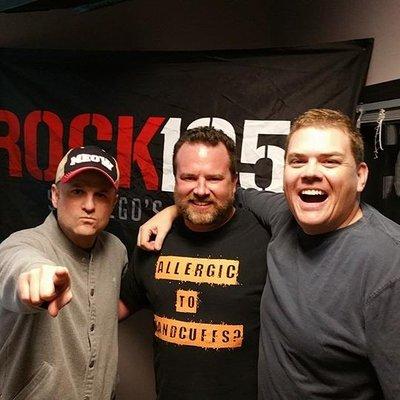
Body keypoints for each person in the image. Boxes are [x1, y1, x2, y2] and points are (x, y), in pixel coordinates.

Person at [138, 109, 400, 399]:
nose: (311, 172)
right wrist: (173, 210)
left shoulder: (389, 265)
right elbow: (223, 193)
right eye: (297, 161)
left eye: (330, 161)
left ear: (360, 176)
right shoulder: (283, 216)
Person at [119, 127, 270, 399]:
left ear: (234, 183)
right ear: (175, 180)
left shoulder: (265, 241)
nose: (200, 190)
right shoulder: (154, 241)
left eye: (214, 178)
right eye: (189, 177)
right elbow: (113, 308)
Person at [0, 145, 127, 400]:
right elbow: (15, 264)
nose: (89, 205)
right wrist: (35, 275)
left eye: (101, 195)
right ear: (56, 196)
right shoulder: (23, 244)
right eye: (78, 191)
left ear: (113, 202)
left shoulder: (116, 251)